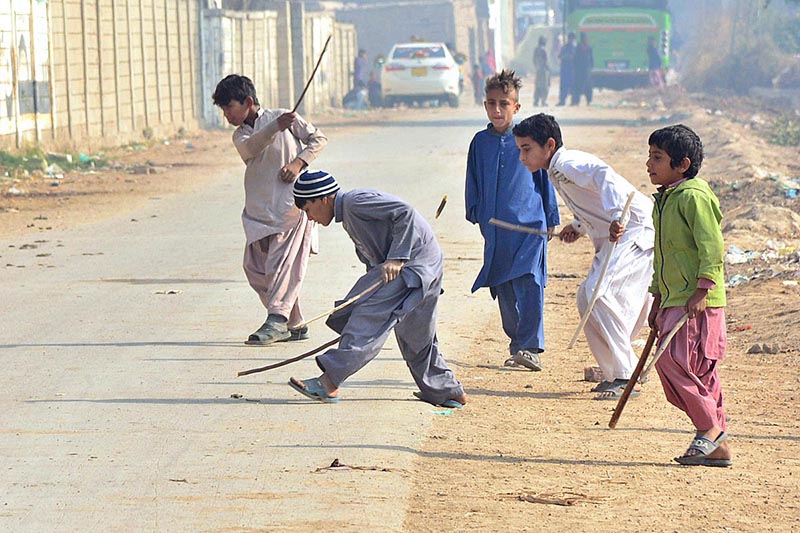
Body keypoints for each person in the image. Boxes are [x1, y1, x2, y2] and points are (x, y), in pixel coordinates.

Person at [288, 170, 467, 408]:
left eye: (308, 210)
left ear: (323, 198)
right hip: (425, 267)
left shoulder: (354, 202)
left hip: (412, 268)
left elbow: (405, 212)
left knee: (367, 321)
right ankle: (447, 391)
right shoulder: (350, 214)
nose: (310, 218)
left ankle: (328, 382)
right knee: (415, 335)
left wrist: (397, 258)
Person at [512, 113, 654, 399]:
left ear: (549, 144)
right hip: (615, 233)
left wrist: (617, 216)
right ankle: (615, 373)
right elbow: (590, 199)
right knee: (586, 298)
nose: (522, 157)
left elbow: (604, 176)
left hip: (633, 228)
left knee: (598, 295)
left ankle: (627, 376)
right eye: (519, 150)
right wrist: (578, 227)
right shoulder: (555, 171)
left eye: (526, 149)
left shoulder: (567, 162)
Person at [212, 74, 327, 345]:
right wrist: (276, 127)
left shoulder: (285, 118)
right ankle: (294, 323)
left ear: (248, 101)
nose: (226, 114)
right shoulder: (241, 135)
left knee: (281, 266)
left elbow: (318, 139)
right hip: (258, 212)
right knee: (255, 269)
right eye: (223, 110)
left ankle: (276, 320)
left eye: (229, 107)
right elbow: (252, 148)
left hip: (290, 208)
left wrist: (299, 163)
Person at [643, 124, 731, 467]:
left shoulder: (693, 196)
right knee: (700, 372)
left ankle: (708, 430)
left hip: (696, 301)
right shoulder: (665, 199)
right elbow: (662, 254)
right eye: (649, 156)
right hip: (672, 298)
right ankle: (718, 443)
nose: (649, 164)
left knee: (675, 362)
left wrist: (702, 290)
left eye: (657, 158)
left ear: (683, 164)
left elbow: (712, 247)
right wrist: (656, 298)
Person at [465, 71, 560, 371]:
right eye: (491, 103)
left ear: (516, 107)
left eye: (503, 104)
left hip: (531, 226)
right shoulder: (480, 143)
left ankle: (531, 346)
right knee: (503, 285)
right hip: (496, 229)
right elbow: (473, 180)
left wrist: (551, 218)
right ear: (484, 105)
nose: (497, 110)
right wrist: (476, 212)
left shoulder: (527, 140)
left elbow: (546, 179)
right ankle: (517, 343)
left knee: (531, 281)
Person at [572, 33, 593, 106]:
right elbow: (576, 59)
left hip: (586, 70)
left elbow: (591, 59)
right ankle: (576, 101)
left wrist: (590, 68)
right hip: (580, 70)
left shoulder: (589, 47)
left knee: (588, 86)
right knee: (578, 86)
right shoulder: (578, 47)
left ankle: (589, 101)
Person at [557, 32, 576, 106]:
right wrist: (566, 57)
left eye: (572, 38)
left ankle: (573, 101)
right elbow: (560, 56)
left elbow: (574, 57)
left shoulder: (574, 48)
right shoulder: (564, 47)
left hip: (572, 70)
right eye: (569, 38)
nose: (570, 40)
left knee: (572, 86)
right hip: (565, 69)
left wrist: (567, 57)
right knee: (563, 86)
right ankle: (562, 101)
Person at [533, 36, 550, 107]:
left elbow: (533, 60)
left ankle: (536, 101)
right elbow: (546, 61)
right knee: (545, 86)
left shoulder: (536, 50)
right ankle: (544, 101)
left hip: (538, 70)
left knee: (538, 86)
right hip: (544, 70)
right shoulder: (543, 50)